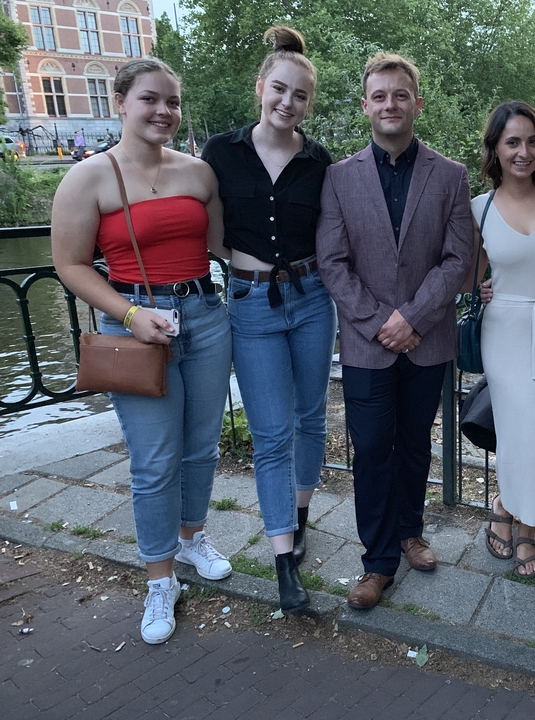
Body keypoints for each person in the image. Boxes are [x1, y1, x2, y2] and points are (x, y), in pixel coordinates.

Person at [51, 58, 233, 645]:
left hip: (203, 315)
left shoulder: (199, 173)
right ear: (121, 102)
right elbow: (70, 264)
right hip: (133, 324)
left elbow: (226, 247)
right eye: (151, 100)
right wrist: (129, 314)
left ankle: (192, 537)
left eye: (173, 102)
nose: (164, 112)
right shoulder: (88, 177)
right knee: (155, 459)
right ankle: (160, 577)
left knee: (202, 445)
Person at [316, 52, 473, 609]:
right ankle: (377, 560)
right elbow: (331, 261)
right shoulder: (338, 178)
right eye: (379, 95)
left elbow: (460, 258)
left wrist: (414, 317)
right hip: (365, 342)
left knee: (413, 444)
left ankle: (411, 532)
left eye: (400, 95)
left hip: (426, 340)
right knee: (374, 448)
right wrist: (382, 320)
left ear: (417, 103)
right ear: (366, 105)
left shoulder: (451, 175)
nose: (390, 104)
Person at [202, 26, 336, 615]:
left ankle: (301, 516)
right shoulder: (221, 153)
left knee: (310, 418)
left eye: (299, 96)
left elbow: (338, 234)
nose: (287, 102)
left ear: (309, 102)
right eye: (278, 90)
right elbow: (206, 229)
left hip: (311, 299)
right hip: (252, 304)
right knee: (271, 435)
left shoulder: (318, 160)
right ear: (260, 88)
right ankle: (284, 560)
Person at [469, 101, 535, 578]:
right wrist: (481, 286)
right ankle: (519, 515)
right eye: (512, 141)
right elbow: (469, 275)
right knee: (527, 440)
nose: (524, 151)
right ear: (495, 147)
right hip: (507, 331)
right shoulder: (479, 207)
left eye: (532, 141)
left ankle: (512, 513)